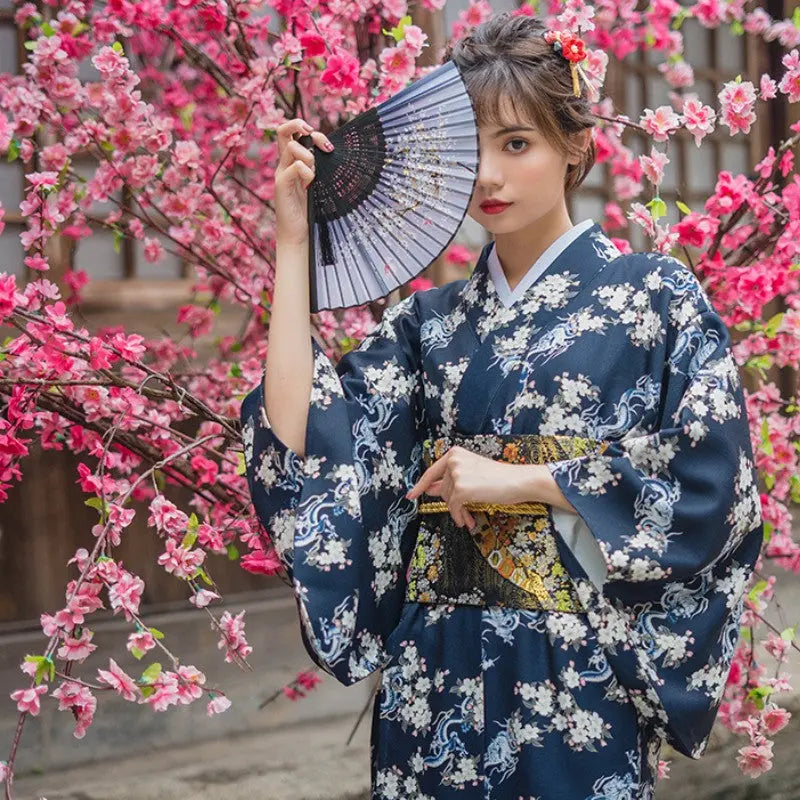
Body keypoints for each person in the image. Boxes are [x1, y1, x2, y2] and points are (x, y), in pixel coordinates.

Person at [240, 12, 763, 799]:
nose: (488, 174)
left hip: (574, 680)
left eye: (516, 143)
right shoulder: (427, 325)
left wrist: (524, 482)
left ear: (575, 145)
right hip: (432, 676)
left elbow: (712, 485)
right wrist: (291, 243)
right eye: (472, 150)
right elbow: (305, 441)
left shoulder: (655, 298)